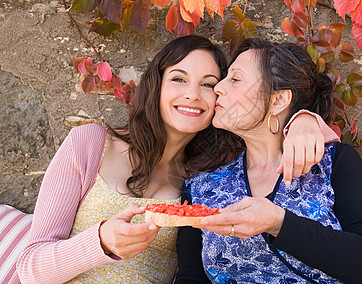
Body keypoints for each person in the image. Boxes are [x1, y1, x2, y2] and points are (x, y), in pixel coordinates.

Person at [16, 36, 338, 283]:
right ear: (157, 84)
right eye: (179, 79)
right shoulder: (91, 144)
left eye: (209, 85)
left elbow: (271, 135)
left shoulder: (204, 181)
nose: (192, 95)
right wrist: (100, 242)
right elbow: (30, 267)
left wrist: (304, 120)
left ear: (220, 98)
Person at [175, 39, 362, 283]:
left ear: (277, 101)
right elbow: (190, 276)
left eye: (235, 79)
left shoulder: (332, 163)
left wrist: (278, 223)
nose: (218, 88)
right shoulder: (201, 188)